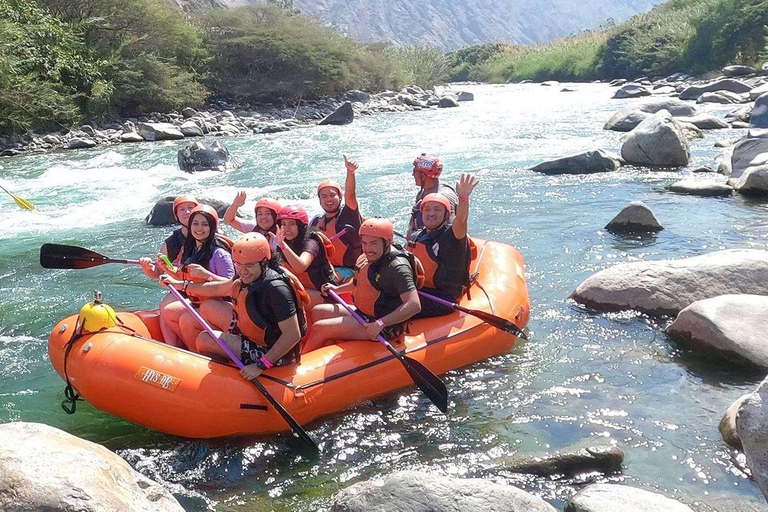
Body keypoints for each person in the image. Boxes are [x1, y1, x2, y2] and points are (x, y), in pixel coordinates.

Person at [161, 233, 308, 381]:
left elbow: (292, 335)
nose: (243, 271)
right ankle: (225, 369)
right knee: (204, 313)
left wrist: (260, 365)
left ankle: (226, 380)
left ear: (264, 262)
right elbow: (216, 289)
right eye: (238, 264)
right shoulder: (247, 277)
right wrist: (181, 285)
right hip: (256, 337)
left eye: (249, 266)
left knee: (205, 339)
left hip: (277, 354)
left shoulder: (277, 289)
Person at [302, 218, 422, 353]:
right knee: (318, 311)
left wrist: (380, 324)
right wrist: (336, 289)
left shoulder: (398, 267)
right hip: (364, 314)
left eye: (374, 243)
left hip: (385, 325)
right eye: (364, 243)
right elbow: (359, 284)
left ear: (388, 242)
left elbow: (414, 305)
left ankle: (300, 366)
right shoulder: (367, 258)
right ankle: (329, 349)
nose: (368, 249)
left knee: (320, 327)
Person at [156, 204, 235, 347]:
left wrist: (207, 275)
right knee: (168, 312)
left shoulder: (220, 254)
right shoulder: (191, 248)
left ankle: (200, 351)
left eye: (205, 224)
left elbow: (232, 286)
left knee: (186, 320)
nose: (199, 228)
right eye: (195, 223)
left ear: (212, 227)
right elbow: (184, 276)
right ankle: (191, 348)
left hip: (219, 305)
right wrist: (166, 269)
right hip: (199, 300)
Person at [408, 174, 479, 318]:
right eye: (427, 210)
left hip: (443, 299)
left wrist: (463, 198)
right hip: (423, 290)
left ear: (446, 215)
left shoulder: (451, 236)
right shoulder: (418, 237)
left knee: (391, 303)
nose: (431, 214)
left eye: (437, 210)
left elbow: (461, 220)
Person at [310, 155, 363, 282]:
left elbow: (350, 195)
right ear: (320, 201)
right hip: (328, 268)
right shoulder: (317, 221)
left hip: (351, 270)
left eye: (332, 195)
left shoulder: (348, 216)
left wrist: (350, 172)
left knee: (326, 279)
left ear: (340, 197)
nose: (328, 199)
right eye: (324, 196)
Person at [275, 204, 338, 305]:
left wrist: (283, 246)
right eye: (283, 224)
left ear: (300, 226)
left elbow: (300, 267)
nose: (287, 228)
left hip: (324, 294)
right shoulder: (284, 243)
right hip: (304, 290)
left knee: (286, 295)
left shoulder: (312, 243)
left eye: (292, 224)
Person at [139, 195, 198, 280]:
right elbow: (158, 273)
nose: (187, 212)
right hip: (182, 286)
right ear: (176, 215)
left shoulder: (211, 235)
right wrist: (147, 268)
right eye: (182, 209)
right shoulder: (171, 243)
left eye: (190, 207)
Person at [406, 153, 459, 241]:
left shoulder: (443, 197)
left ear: (423, 176)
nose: (412, 174)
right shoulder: (422, 193)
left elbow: (451, 230)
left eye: (414, 171)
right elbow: (413, 220)